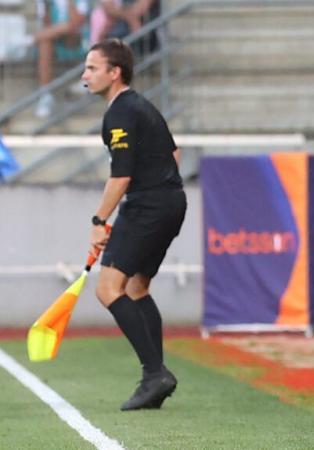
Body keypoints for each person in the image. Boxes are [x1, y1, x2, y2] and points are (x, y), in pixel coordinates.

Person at [82, 38, 187, 411]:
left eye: (93, 68)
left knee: (108, 289)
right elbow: (174, 153)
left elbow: (122, 175)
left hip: (148, 204)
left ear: (115, 73)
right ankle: (154, 379)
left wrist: (100, 221)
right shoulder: (140, 106)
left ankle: (154, 374)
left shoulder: (121, 113)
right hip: (172, 201)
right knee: (138, 286)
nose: (85, 75)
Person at [32, 0, 90, 118]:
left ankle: (30, 39)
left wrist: (69, 3)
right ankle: (46, 96)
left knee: (69, 26)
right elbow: (47, 25)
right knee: (45, 43)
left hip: (77, 40)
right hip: (56, 40)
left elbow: (76, 24)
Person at [89, 0, 160, 45]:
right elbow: (109, 8)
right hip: (118, 38)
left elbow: (144, 4)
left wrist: (128, 14)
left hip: (147, 39)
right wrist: (131, 18)